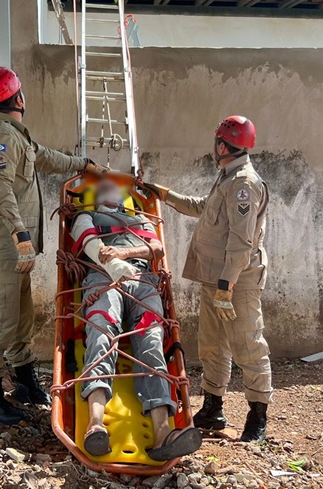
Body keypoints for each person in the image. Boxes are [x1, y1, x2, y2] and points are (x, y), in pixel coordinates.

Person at [0, 66, 107, 425]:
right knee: (1, 319)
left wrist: (83, 165)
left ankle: (25, 383)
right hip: (5, 246)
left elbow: (46, 157)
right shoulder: (1, 139)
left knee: (21, 317)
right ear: (18, 98)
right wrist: (20, 235)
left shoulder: (18, 137)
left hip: (18, 250)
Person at [145, 115, 273, 442]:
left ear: (221, 145)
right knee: (212, 344)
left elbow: (241, 242)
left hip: (235, 281)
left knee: (247, 344)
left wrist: (226, 287)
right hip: (215, 279)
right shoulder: (227, 178)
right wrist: (163, 194)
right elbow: (202, 207)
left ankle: (258, 416)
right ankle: (214, 408)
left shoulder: (243, 184)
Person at [71, 179, 201, 461]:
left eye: (114, 188)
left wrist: (124, 254)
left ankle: (162, 432)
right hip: (103, 277)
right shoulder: (86, 216)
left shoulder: (141, 218)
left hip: (143, 280)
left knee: (152, 339)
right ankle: (95, 424)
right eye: (103, 187)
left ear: (123, 197)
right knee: (101, 331)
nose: (109, 189)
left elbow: (157, 250)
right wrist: (115, 263)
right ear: (95, 196)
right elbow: (91, 245)